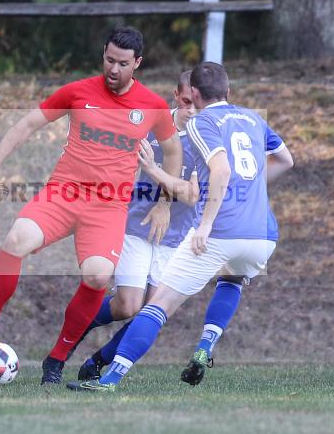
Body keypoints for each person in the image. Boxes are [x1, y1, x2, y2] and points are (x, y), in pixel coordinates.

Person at [0, 26, 183, 385]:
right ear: (103, 53)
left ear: (137, 63)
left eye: (122, 63)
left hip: (108, 208)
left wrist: (165, 203)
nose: (113, 69)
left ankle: (56, 359)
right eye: (109, 60)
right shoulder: (77, 91)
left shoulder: (152, 105)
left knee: (98, 276)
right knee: (15, 240)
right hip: (63, 193)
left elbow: (174, 151)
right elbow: (28, 123)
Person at [67, 61, 294, 392]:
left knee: (158, 306)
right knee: (232, 279)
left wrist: (204, 225)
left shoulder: (202, 124)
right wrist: (249, 193)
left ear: (197, 94)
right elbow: (286, 160)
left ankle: (109, 379)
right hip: (263, 233)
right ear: (228, 92)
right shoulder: (253, 118)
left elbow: (221, 172)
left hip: (221, 230)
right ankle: (204, 347)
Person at [73, 71, 200, 381]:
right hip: (136, 226)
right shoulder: (151, 126)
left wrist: (161, 192)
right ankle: (79, 324)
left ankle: (98, 362)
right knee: (128, 306)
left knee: (153, 313)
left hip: (176, 237)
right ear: (175, 96)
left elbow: (192, 194)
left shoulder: (206, 140)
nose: (192, 110)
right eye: (186, 102)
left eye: (197, 104)